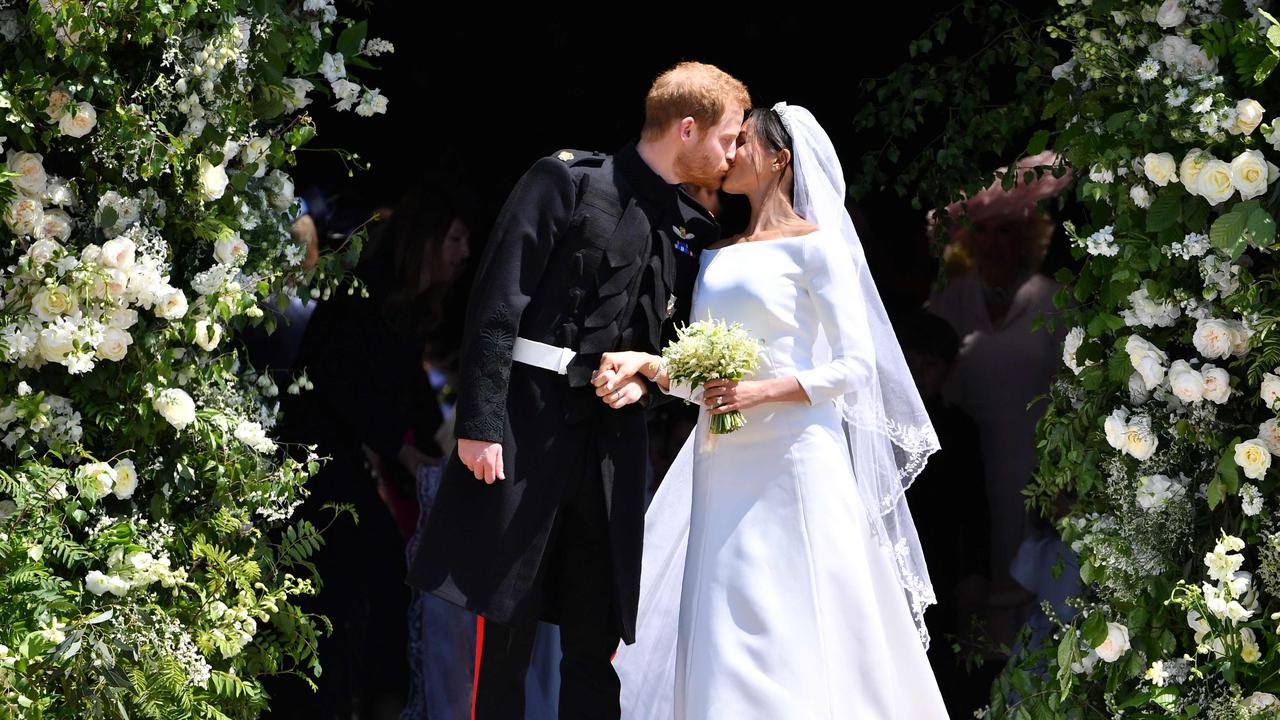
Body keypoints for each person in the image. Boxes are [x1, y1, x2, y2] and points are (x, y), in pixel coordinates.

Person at [405, 61, 751, 719]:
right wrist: (480, 424)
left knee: (595, 638)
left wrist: (645, 379)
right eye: (729, 137)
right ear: (687, 128)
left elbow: (673, 344)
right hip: (525, 434)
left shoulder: (688, 227)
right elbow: (497, 303)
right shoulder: (564, 178)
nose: (733, 154)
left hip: (611, 450)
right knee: (505, 628)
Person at [603, 103, 949, 718]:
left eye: (743, 144)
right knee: (722, 618)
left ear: (778, 160)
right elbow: (705, 381)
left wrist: (762, 391)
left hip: (794, 455)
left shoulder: (816, 249)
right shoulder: (715, 253)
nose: (729, 153)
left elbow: (855, 365)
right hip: (722, 460)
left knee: (800, 611)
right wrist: (651, 365)